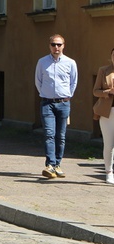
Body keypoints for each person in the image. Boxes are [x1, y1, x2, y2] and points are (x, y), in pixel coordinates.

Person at [35, 34, 77, 179]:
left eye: (59, 44)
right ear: (49, 46)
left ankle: (58, 164)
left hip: (64, 103)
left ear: (63, 46)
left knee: (61, 135)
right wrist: (46, 94)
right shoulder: (42, 62)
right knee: (49, 134)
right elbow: (38, 81)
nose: (56, 47)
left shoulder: (70, 63)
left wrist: (66, 95)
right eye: (53, 44)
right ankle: (50, 165)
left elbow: (73, 82)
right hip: (47, 103)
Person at [93, 48, 114, 184]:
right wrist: (108, 91)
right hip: (108, 112)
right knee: (109, 144)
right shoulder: (103, 70)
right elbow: (95, 91)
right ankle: (109, 172)